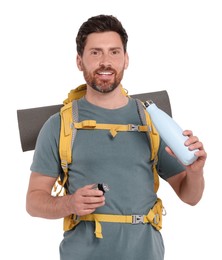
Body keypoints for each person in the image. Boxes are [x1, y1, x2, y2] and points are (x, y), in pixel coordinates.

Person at [26, 14, 207, 260]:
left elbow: (190, 196)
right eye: (95, 53)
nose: (105, 62)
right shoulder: (59, 124)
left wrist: (195, 171)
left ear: (126, 59)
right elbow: (34, 201)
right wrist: (69, 204)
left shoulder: (152, 121)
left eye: (114, 52)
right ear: (79, 61)